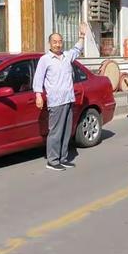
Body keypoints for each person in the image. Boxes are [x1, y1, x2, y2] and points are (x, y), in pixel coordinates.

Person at [33, 23, 87, 171]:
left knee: (66, 131)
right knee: (55, 132)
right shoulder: (45, 59)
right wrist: (38, 95)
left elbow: (77, 49)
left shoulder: (67, 56)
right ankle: (52, 160)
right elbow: (38, 79)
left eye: (60, 41)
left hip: (68, 99)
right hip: (55, 101)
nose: (58, 44)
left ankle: (63, 158)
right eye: (54, 42)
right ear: (50, 44)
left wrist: (82, 35)